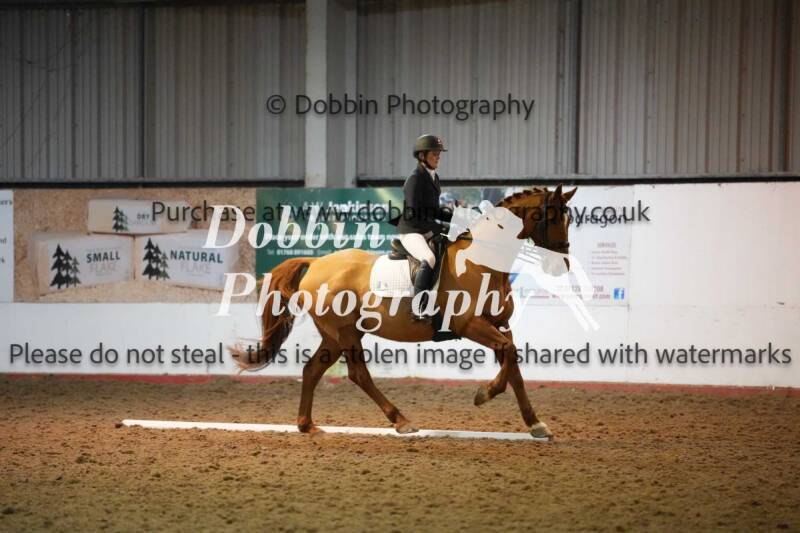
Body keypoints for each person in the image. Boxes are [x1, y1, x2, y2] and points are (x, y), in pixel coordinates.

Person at [390, 134, 453, 320]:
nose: (438, 157)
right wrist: (438, 227)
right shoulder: (415, 179)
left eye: (439, 154)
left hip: (425, 228)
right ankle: (417, 308)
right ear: (422, 156)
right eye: (434, 154)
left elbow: (434, 211)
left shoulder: (434, 178)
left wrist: (457, 217)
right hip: (411, 230)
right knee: (429, 258)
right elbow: (414, 212)